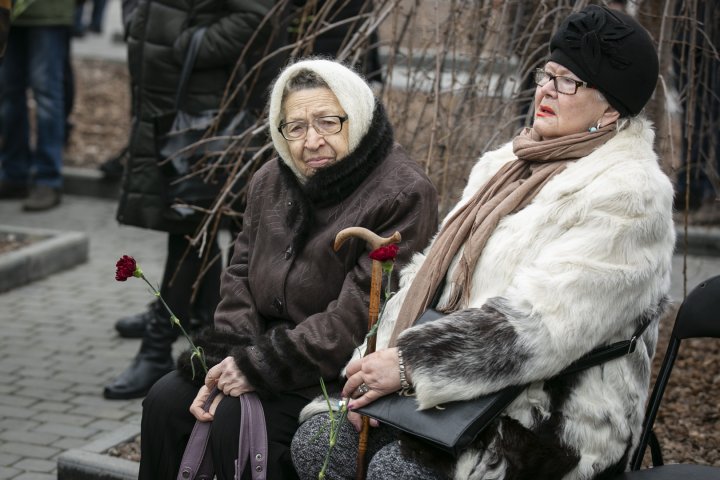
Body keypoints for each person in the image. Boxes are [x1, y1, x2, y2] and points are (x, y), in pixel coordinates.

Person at [292, 6, 676, 480]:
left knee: (399, 470)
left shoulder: (631, 195)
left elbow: (543, 326)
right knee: (320, 445)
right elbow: (428, 276)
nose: (546, 91)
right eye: (546, 75)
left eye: (568, 82)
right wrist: (371, 370)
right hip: (456, 386)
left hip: (549, 416)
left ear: (611, 107)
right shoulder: (504, 165)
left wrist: (412, 364)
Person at [138, 58, 439, 479]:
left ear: (358, 116)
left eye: (328, 122)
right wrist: (231, 358)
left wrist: (258, 367)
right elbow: (239, 274)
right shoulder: (270, 179)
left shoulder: (402, 193)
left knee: (234, 419)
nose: (311, 140)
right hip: (256, 352)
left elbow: (358, 318)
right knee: (166, 400)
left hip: (329, 373)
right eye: (294, 127)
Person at [103, 0, 276, 400]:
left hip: (214, 109)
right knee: (192, 228)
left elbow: (257, 16)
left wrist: (188, 44)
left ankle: (164, 345)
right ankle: (202, 341)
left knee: (193, 229)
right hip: (176, 101)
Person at [0, 0, 74, 211]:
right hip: (8, 13)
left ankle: (48, 179)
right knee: (8, 93)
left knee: (47, 95)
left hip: (49, 13)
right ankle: (14, 173)